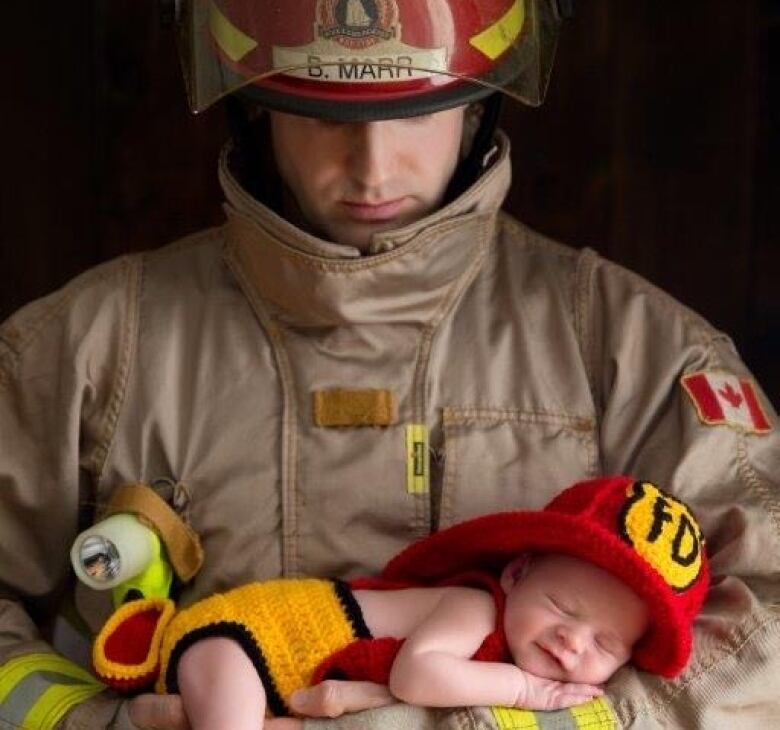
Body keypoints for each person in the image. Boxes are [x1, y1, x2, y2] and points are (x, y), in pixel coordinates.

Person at [0, 1, 777, 729]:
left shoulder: (633, 350)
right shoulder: (91, 346)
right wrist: (96, 721)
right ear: (257, 102)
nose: (372, 168)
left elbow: (764, 639)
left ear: (477, 101)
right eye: (319, 114)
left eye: (414, 110)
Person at [88, 477, 708, 730]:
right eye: (563, 606)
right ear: (515, 573)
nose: (574, 642)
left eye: (604, 645)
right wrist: (526, 691)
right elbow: (417, 674)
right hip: (239, 638)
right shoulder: (476, 608)